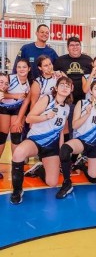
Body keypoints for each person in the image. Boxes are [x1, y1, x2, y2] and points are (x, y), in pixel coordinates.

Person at [10, 76, 73, 204]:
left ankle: (39, 169)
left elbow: (60, 130)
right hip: (36, 140)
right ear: (56, 87)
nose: (65, 87)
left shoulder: (67, 108)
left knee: (52, 183)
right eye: (62, 85)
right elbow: (29, 119)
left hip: (52, 146)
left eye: (68, 86)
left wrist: (61, 149)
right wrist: (45, 117)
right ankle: (17, 190)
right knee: (18, 153)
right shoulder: (47, 98)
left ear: (71, 90)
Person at [56, 80, 96, 199]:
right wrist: (87, 114)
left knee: (94, 179)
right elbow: (74, 125)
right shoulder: (82, 103)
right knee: (65, 149)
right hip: (81, 141)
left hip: (95, 145)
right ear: (90, 90)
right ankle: (67, 183)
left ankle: (81, 165)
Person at [53, 37, 93, 140]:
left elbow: (94, 77)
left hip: (84, 100)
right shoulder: (60, 60)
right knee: (66, 126)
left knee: (82, 126)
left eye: (77, 45)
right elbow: (54, 77)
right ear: (67, 48)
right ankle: (66, 150)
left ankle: (79, 152)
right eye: (72, 45)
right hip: (66, 100)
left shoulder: (88, 60)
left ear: (80, 46)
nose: (75, 47)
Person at [0, 59, 31, 164]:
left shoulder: (30, 82)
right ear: (16, 68)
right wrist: (15, 95)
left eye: (24, 67)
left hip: (18, 109)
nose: (21, 69)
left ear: (29, 69)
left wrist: (19, 119)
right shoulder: (9, 78)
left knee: (16, 136)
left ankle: (16, 164)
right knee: (2, 136)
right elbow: (1, 93)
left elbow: (26, 102)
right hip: (4, 107)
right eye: (19, 67)